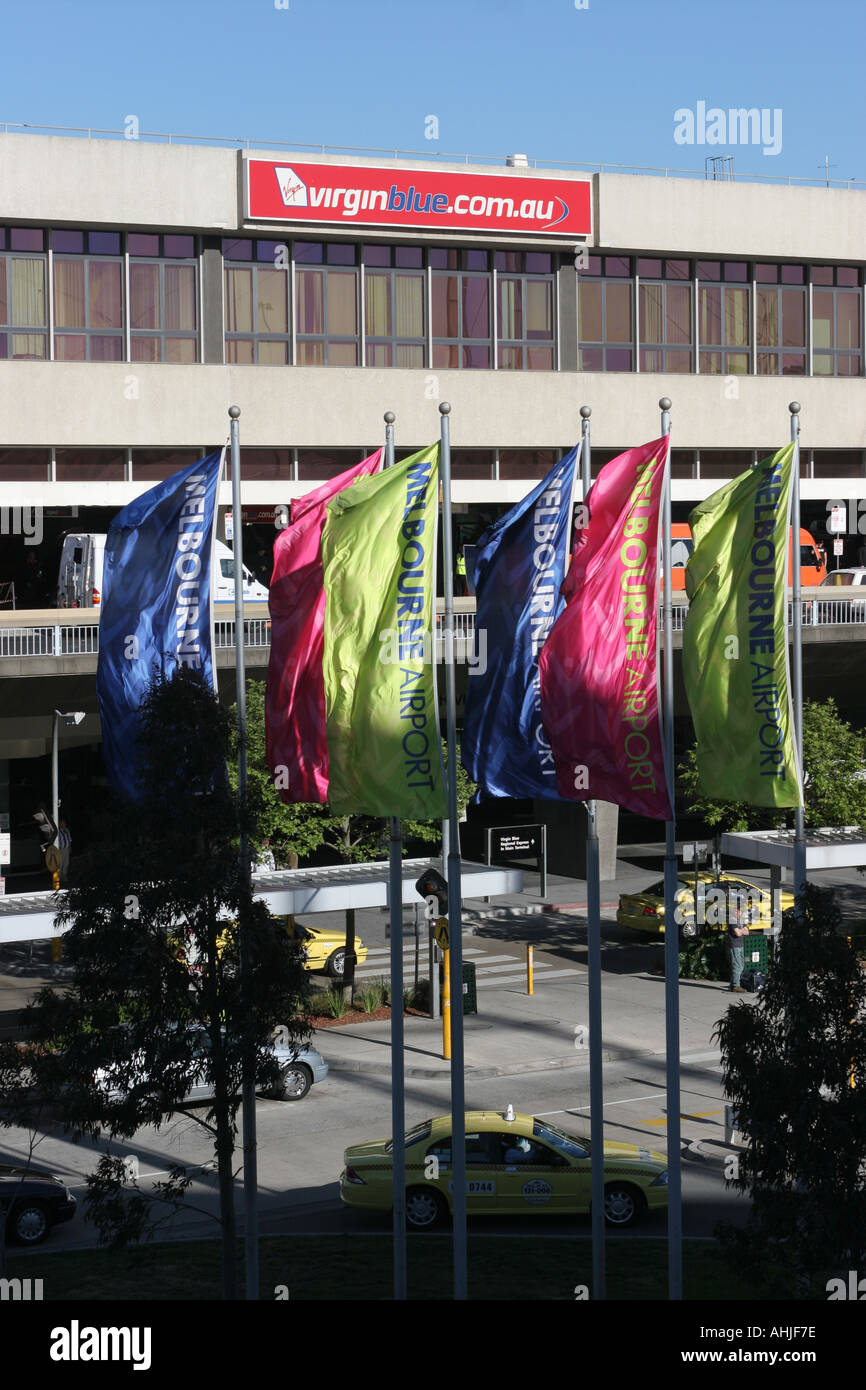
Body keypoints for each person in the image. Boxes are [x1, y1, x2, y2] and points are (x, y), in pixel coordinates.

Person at [726, 898, 750, 992]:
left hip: (740, 945)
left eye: (739, 911)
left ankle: (733, 984)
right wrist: (742, 931)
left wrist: (742, 931)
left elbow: (747, 932)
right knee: (737, 965)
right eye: (737, 911)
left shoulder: (741, 920)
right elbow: (738, 933)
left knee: (741, 965)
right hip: (734, 945)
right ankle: (736, 986)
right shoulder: (732, 920)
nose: (738, 912)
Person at [56, 817, 72, 885]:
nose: (63, 824)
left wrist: (70, 848)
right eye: (62, 823)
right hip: (60, 850)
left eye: (64, 823)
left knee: (66, 863)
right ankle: (58, 878)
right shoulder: (58, 831)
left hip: (66, 849)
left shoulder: (67, 830)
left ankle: (64, 877)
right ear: (60, 824)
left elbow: (70, 840)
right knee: (60, 863)